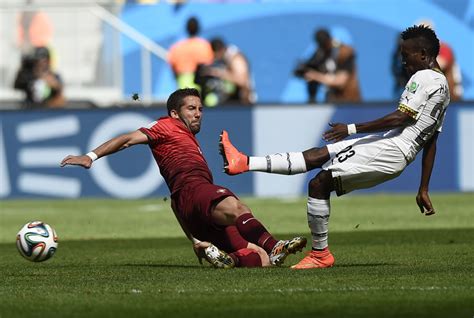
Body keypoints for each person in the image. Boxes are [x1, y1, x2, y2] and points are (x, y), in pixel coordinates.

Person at [219, 25, 450, 269]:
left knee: (319, 183)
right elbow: (432, 139)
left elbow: (400, 118)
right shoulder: (443, 86)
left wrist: (350, 128)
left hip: (394, 148)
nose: (403, 62)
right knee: (319, 154)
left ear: (424, 55)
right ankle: (244, 163)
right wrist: (424, 187)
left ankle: (320, 254)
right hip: (391, 143)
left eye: (407, 56)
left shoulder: (422, 78)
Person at [60, 88, 306, 268]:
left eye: (200, 109)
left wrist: (194, 238)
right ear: (175, 113)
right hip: (195, 190)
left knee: (259, 259)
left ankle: (228, 259)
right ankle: (275, 246)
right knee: (236, 207)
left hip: (188, 205)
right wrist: (90, 156)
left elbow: (177, 201)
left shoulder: (187, 136)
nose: (198, 114)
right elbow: (126, 139)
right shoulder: (165, 125)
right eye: (192, 108)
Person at [295, 28, 361, 103]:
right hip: (331, 100)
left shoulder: (344, 52)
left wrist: (315, 76)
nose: (324, 48)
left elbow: (340, 81)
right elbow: (312, 65)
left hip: (348, 103)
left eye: (325, 45)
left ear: (329, 41)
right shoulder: (321, 52)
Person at [195, 38, 255, 107]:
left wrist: (218, 72)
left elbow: (242, 81)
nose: (214, 58)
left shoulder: (236, 58)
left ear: (217, 52)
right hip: (235, 102)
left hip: (245, 102)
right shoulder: (226, 59)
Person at [167, 17, 214, 90]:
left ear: (186, 28)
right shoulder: (205, 46)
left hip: (183, 85)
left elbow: (173, 68)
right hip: (202, 87)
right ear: (198, 28)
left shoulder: (177, 47)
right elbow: (209, 67)